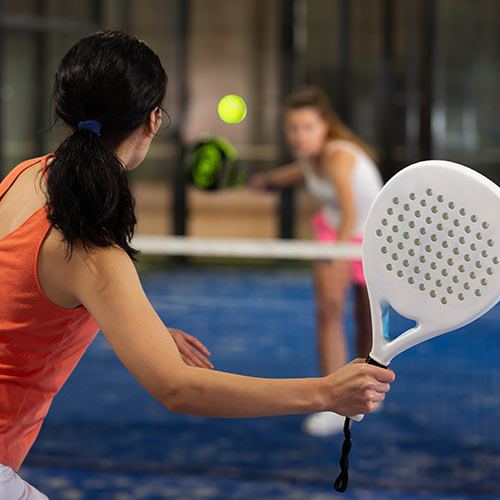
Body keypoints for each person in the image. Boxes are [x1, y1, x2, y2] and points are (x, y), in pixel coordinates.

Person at [0, 32, 394, 499]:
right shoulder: (91, 249)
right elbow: (178, 388)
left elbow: (24, 288)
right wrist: (326, 393)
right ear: (153, 120)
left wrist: (142, 327)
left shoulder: (23, 176)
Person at [249, 87, 384, 436]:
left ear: (325, 126)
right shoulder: (309, 159)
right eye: (293, 128)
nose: (299, 135)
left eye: (307, 127)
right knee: (328, 312)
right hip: (334, 231)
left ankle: (364, 392)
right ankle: (334, 403)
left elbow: (352, 210)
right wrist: (262, 182)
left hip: (369, 240)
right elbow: (284, 177)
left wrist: (338, 254)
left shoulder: (339, 156)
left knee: (367, 325)